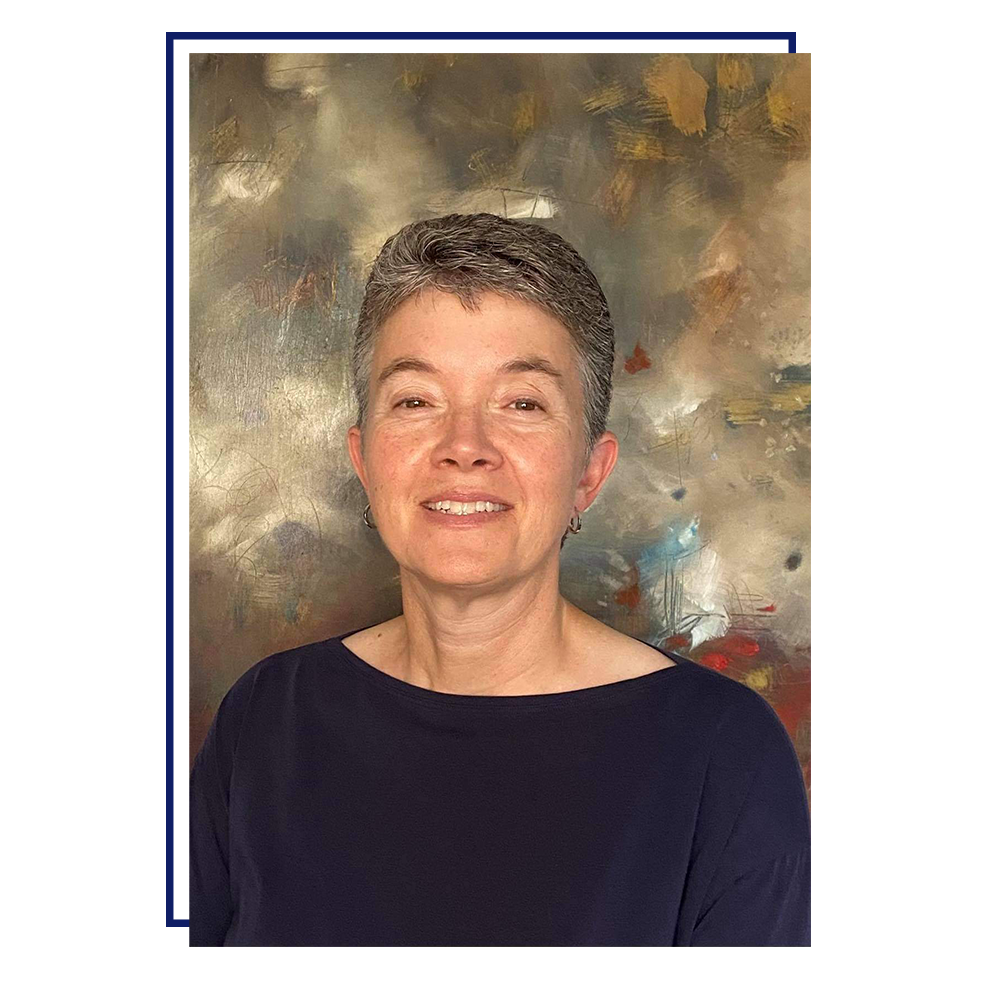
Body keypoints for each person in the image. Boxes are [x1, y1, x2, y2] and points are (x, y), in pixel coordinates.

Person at [189, 213, 810, 946]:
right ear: (364, 459)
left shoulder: (723, 756)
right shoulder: (266, 722)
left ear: (589, 473)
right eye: (415, 400)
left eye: (522, 403)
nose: (464, 447)